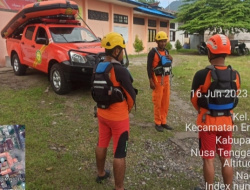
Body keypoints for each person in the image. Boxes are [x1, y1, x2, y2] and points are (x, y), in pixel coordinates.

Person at [191, 34, 241, 190]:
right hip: (227, 123)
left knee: (208, 159)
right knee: (226, 158)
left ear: (210, 52)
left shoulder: (202, 74)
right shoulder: (235, 75)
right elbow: (235, 99)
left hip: (208, 123)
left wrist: (205, 109)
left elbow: (194, 99)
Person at [92, 32, 136, 190]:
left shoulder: (98, 66)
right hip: (119, 118)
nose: (123, 53)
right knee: (119, 152)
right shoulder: (120, 69)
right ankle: (119, 187)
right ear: (116, 51)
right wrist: (126, 110)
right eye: (122, 49)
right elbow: (131, 96)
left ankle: (101, 173)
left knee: (102, 142)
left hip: (102, 114)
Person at [147, 31, 173, 132]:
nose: (163, 43)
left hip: (166, 80)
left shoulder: (166, 52)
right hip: (157, 80)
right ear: (156, 41)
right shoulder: (152, 52)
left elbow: (167, 64)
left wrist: (172, 59)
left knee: (165, 102)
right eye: (161, 41)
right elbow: (149, 67)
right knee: (158, 102)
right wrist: (150, 80)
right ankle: (157, 122)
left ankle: (163, 121)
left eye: (164, 41)